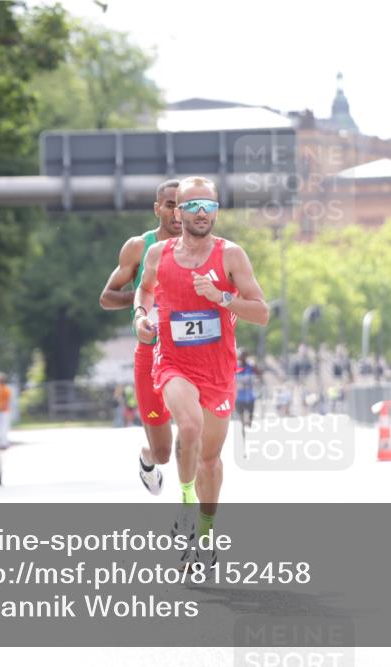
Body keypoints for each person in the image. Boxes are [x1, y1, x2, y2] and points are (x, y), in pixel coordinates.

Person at [134, 176, 269, 568]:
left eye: (208, 207)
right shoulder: (158, 254)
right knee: (188, 426)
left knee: (211, 460)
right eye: (192, 207)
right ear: (178, 211)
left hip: (219, 369)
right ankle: (187, 504)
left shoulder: (231, 256)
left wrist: (222, 298)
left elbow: (260, 312)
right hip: (174, 362)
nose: (201, 214)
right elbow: (144, 290)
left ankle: (207, 530)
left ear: (216, 212)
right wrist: (142, 317)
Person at [99, 179, 183, 495]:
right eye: (170, 204)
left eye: (183, 204)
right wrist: (143, 296)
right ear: (157, 208)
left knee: (195, 433)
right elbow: (106, 297)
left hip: (192, 355)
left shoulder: (203, 247)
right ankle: (147, 459)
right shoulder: (139, 246)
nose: (177, 213)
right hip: (151, 352)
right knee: (162, 452)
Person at [235, 352, 258, 431]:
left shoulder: (250, 366)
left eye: (243, 355)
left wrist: (255, 366)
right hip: (239, 397)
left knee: (251, 415)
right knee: (240, 416)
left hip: (250, 396)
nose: (241, 357)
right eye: (240, 355)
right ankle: (242, 430)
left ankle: (249, 426)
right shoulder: (235, 367)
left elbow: (259, 373)